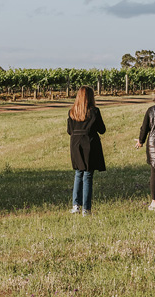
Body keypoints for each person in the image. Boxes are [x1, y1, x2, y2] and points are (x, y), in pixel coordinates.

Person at [67, 86, 106, 216]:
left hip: (75, 144)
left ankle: (76, 205)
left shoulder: (72, 112)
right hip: (89, 144)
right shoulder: (94, 111)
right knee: (88, 175)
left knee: (78, 173)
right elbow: (102, 129)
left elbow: (69, 130)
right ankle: (86, 209)